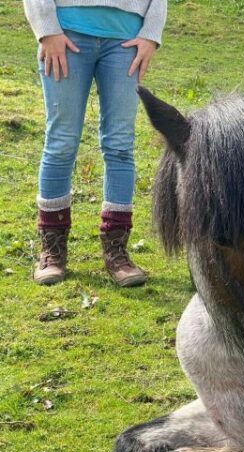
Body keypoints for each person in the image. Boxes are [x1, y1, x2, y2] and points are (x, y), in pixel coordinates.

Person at [23, 0, 167, 287]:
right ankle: (52, 250)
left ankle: (116, 250)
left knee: (120, 146)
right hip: (65, 34)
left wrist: (151, 34)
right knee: (61, 141)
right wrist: (46, 28)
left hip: (126, 41)